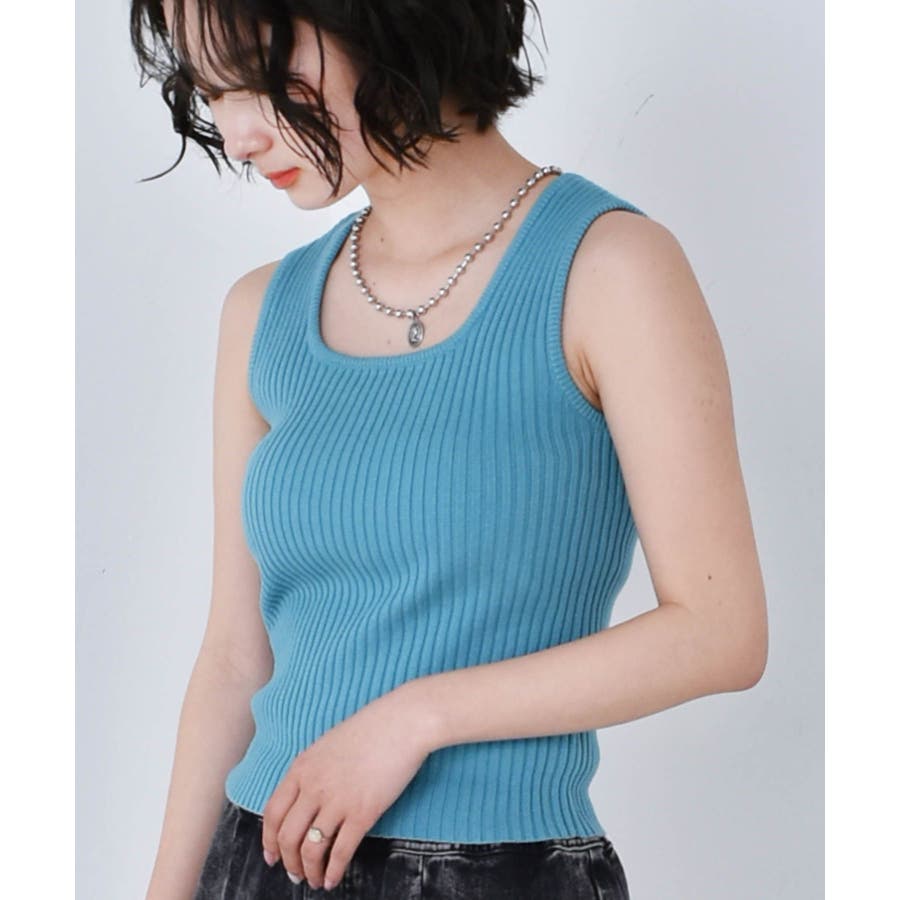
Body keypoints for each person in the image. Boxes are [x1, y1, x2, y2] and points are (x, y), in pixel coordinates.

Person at [131, 2, 769, 898]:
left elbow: (721, 632)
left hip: (497, 873)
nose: (238, 134)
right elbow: (236, 658)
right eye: (211, 90)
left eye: (260, 75)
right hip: (256, 859)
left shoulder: (609, 269)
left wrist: (416, 718)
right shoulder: (262, 310)